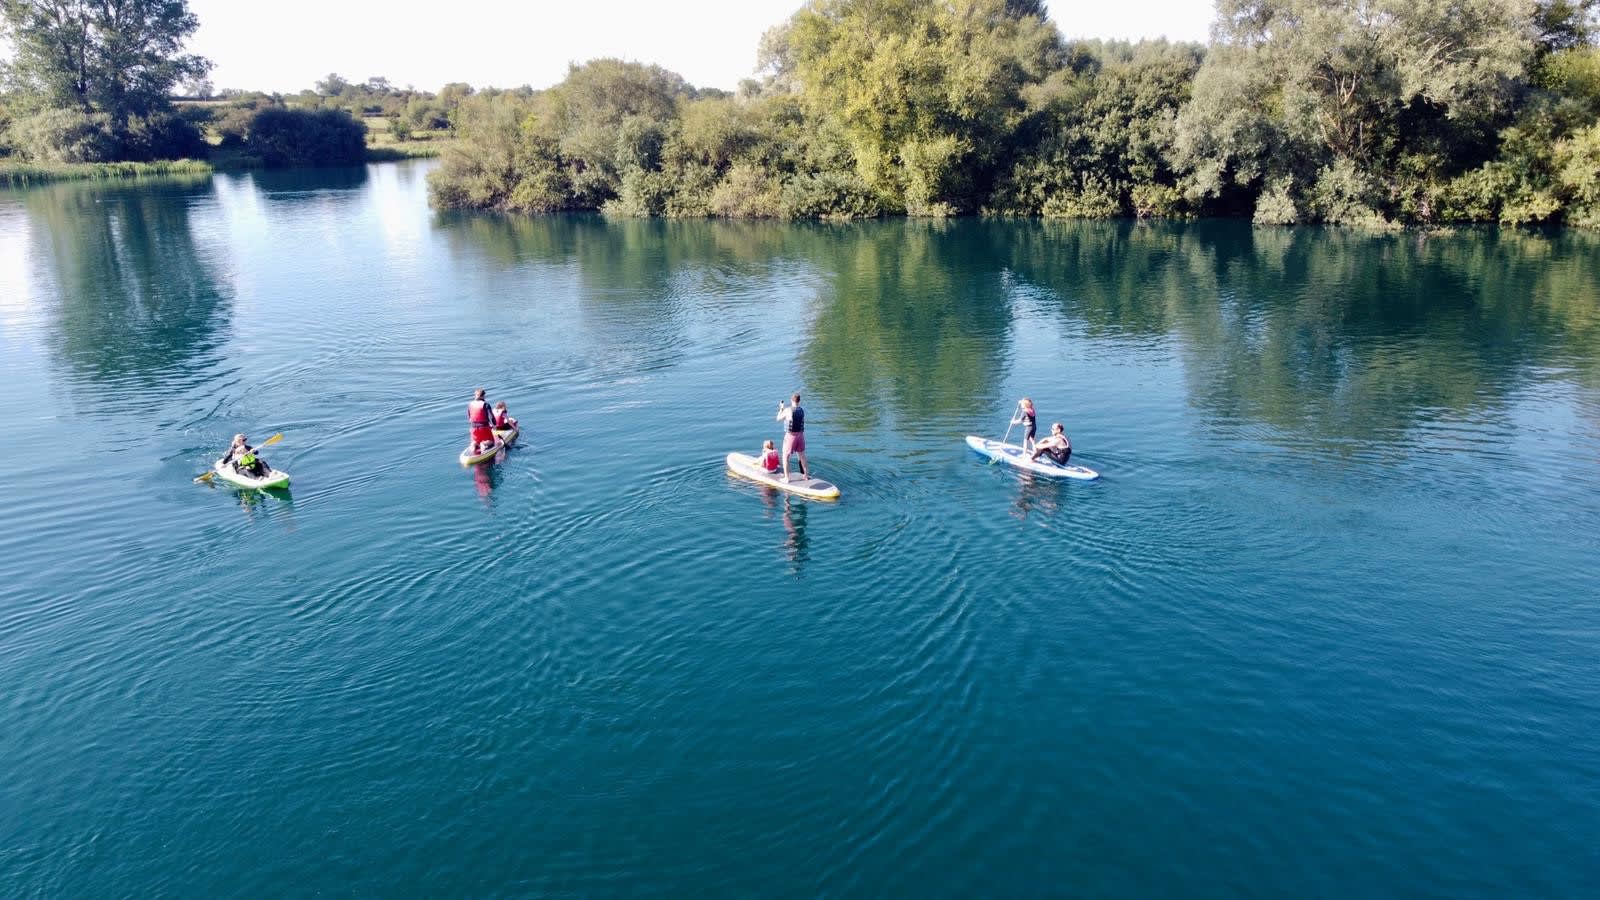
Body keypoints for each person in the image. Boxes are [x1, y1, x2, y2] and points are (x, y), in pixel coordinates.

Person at [775, 392, 809, 480]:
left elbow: (778, 418)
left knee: (785, 456)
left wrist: (781, 408)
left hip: (791, 436)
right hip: (801, 436)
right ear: (799, 401)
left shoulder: (788, 410)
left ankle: (786, 478)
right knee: (802, 456)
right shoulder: (802, 410)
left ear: (791, 400)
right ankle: (805, 475)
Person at [467, 388, 496, 452]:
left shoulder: (470, 404)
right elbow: (491, 417)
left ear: (475, 396)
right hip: (484, 427)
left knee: (475, 441)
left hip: (473, 427)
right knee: (492, 441)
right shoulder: (486, 404)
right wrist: (494, 425)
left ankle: (473, 445)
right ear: (483, 396)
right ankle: (484, 444)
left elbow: (469, 417)